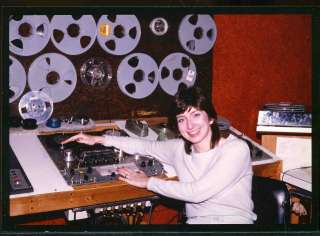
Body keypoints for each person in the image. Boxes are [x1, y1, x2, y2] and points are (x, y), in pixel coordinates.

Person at [61, 86, 257, 224]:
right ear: (177, 127)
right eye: (182, 119)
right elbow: (144, 146)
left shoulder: (236, 149)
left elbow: (197, 193)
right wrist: (99, 139)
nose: (190, 126)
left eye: (196, 115)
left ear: (211, 118)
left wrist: (149, 182)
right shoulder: (179, 148)